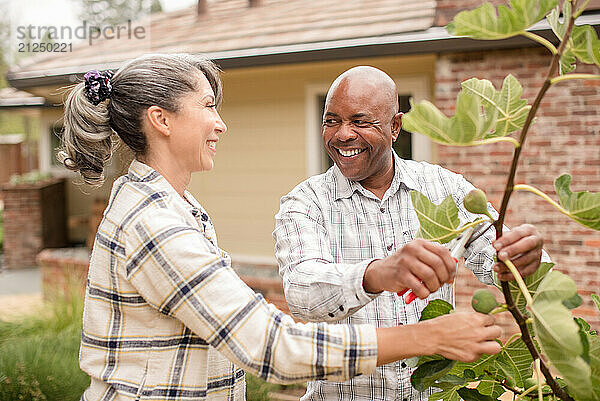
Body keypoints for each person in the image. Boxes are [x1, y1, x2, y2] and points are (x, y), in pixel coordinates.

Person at [60, 54, 502, 401]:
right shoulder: (154, 222)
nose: (221, 123)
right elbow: (268, 344)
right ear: (162, 119)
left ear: (394, 127)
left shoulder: (177, 208)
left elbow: (493, 253)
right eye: (208, 106)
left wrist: (514, 261)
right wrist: (425, 337)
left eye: (361, 122)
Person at [273, 66, 546, 401]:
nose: (342, 134)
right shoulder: (305, 202)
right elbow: (302, 294)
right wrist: (378, 274)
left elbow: (499, 261)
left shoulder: (445, 188)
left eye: (360, 121)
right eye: (331, 120)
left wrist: (524, 258)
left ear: (395, 127)